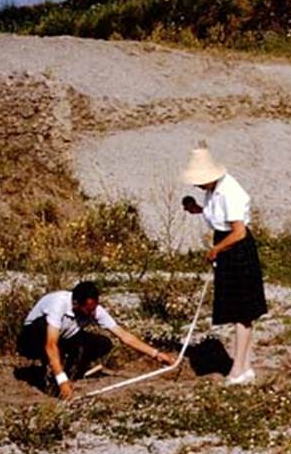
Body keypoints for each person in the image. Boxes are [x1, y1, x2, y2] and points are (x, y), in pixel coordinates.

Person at [180, 147, 267, 385]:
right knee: (236, 309)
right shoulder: (213, 190)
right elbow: (219, 218)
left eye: (199, 181)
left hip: (237, 249)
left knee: (243, 311)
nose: (197, 185)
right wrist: (198, 209)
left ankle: (238, 369)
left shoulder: (230, 191)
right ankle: (244, 367)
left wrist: (216, 249)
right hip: (226, 245)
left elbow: (239, 232)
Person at [18, 281, 174, 399]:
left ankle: (71, 372)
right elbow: (51, 345)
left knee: (102, 343)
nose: (93, 313)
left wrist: (157, 354)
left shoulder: (94, 310)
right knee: (43, 327)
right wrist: (61, 380)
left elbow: (124, 336)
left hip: (63, 339)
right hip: (31, 339)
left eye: (94, 308)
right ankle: (53, 376)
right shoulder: (58, 303)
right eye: (89, 309)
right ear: (76, 303)